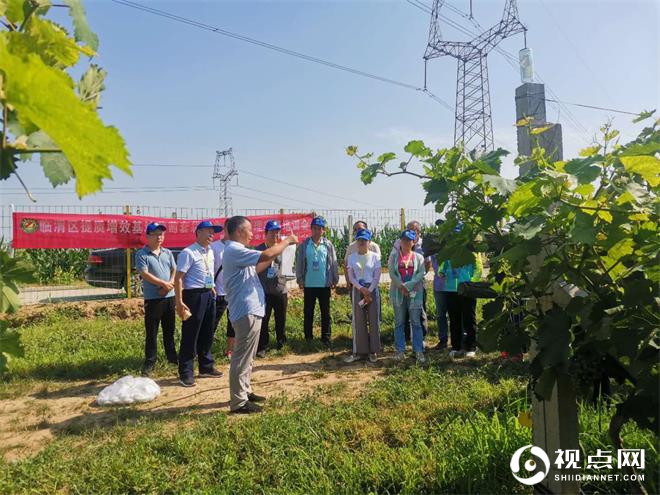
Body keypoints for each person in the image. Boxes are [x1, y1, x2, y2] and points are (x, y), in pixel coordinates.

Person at [223, 216, 298, 414]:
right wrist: (287, 241)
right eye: (248, 230)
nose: (251, 234)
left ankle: (245, 391)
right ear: (239, 232)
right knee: (241, 357)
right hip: (245, 310)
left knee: (248, 356)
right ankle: (238, 402)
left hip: (252, 309)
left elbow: (258, 267)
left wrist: (273, 253)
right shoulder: (234, 249)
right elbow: (264, 255)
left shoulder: (238, 252)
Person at [174, 220, 224, 387]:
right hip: (193, 296)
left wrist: (212, 289)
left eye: (213, 232)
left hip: (208, 293)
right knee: (191, 334)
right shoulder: (189, 252)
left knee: (207, 332)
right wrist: (179, 301)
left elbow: (208, 273)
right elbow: (178, 278)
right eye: (208, 231)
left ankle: (206, 366)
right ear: (198, 232)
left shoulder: (209, 251)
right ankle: (186, 372)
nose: (212, 235)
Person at [134, 222, 177, 376]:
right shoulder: (142, 254)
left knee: (169, 329)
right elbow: (144, 274)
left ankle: (172, 357)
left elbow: (174, 269)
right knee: (152, 331)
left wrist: (170, 283)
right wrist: (163, 284)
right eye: (156, 234)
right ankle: (150, 361)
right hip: (153, 298)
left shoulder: (167, 253)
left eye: (162, 234)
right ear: (148, 236)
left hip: (169, 296)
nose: (160, 237)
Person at [295, 216, 339, 345]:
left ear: (323, 230)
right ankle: (308, 338)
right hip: (309, 284)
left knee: (326, 312)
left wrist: (334, 279)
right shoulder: (305, 245)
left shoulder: (328, 245)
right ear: (311, 229)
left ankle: (326, 338)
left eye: (320, 228)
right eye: (314, 228)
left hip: (324, 284)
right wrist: (300, 279)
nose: (317, 231)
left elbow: (333, 263)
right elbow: (299, 263)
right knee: (308, 312)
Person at [441, 225, 483, 359]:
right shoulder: (448, 250)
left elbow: (479, 268)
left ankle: (471, 347)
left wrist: (470, 283)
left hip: (466, 290)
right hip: (451, 289)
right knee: (454, 319)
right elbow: (443, 264)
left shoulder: (471, 250)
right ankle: (456, 346)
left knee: (469, 318)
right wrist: (441, 271)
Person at [389, 229, 427, 363]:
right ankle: (400, 350)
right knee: (399, 322)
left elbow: (421, 273)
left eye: (408, 240)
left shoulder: (418, 257)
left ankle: (418, 350)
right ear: (400, 241)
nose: (405, 242)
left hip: (414, 294)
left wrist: (408, 286)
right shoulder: (394, 256)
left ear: (413, 242)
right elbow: (392, 273)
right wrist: (401, 286)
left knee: (416, 322)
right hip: (398, 293)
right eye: (403, 240)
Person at [344, 229, 382, 363]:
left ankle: (374, 351)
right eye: (359, 240)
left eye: (364, 240)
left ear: (369, 242)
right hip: (357, 290)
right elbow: (350, 276)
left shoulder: (375, 256)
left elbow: (377, 276)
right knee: (358, 321)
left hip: (372, 289)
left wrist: (369, 289)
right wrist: (361, 289)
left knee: (373, 320)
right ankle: (360, 351)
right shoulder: (351, 257)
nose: (361, 242)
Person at [391, 220, 431, 342]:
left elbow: (427, 263)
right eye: (407, 229)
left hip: (417, 284)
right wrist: (402, 285)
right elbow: (392, 268)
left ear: (418, 233)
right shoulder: (397, 245)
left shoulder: (423, 245)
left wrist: (417, 279)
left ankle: (420, 340)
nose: (406, 241)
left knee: (419, 312)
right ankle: (407, 339)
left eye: (413, 230)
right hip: (400, 286)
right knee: (402, 316)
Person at [255, 220, 290, 357]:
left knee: (281, 318)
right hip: (263, 291)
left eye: (277, 232)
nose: (275, 235)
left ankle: (281, 342)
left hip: (280, 290)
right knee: (264, 319)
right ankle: (262, 346)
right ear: (265, 233)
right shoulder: (259, 250)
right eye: (272, 232)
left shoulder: (283, 248)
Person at [210, 230, 235, 359]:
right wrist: (211, 286)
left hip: (234, 292)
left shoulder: (237, 247)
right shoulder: (214, 247)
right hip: (218, 292)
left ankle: (230, 350)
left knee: (233, 323)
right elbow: (208, 267)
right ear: (226, 229)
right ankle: (205, 350)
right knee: (212, 322)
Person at [431, 219, 449, 350]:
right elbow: (433, 264)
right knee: (441, 314)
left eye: (443, 227)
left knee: (455, 314)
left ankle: (459, 340)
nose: (441, 230)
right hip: (439, 285)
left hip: (453, 285)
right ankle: (443, 340)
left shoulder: (454, 245)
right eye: (439, 227)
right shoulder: (435, 246)